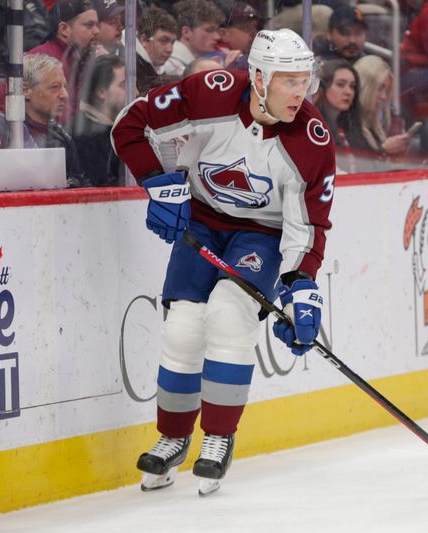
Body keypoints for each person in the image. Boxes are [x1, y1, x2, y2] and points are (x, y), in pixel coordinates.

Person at [111, 28, 335, 496]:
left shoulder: (310, 141)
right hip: (203, 222)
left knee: (230, 318)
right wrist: (159, 183)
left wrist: (300, 287)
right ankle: (172, 438)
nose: (301, 93)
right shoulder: (207, 94)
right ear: (258, 77)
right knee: (183, 328)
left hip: (262, 234)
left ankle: (218, 439)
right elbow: (130, 126)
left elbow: (307, 227)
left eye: (306, 81)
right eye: (288, 80)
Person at [0, 0, 100, 125]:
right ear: (64, 29)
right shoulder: (43, 62)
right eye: (89, 25)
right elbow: (66, 120)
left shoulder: (77, 59)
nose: (96, 31)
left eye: (97, 25)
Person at [23, 53, 85, 187]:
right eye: (54, 87)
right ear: (26, 91)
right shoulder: (9, 134)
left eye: (64, 87)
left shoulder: (63, 137)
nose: (65, 95)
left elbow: (79, 182)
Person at [72, 54, 125, 186]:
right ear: (102, 92)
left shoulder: (122, 128)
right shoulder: (81, 136)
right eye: (124, 85)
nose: (135, 92)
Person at [352, 55, 411, 160]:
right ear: (366, 86)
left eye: (386, 90)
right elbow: (357, 167)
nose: (383, 97)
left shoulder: (375, 125)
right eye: (380, 88)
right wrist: (383, 150)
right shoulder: (346, 124)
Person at [315, 58, 361, 173]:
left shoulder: (348, 130)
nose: (348, 91)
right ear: (322, 88)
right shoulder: (312, 130)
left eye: (352, 86)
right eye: (340, 84)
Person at [163, 0, 224, 77]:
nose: (217, 37)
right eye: (209, 30)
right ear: (186, 32)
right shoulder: (172, 66)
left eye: (216, 30)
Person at [136, 5, 178, 93]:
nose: (169, 49)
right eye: (163, 41)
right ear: (144, 40)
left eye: (172, 42)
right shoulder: (131, 69)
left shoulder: (165, 70)